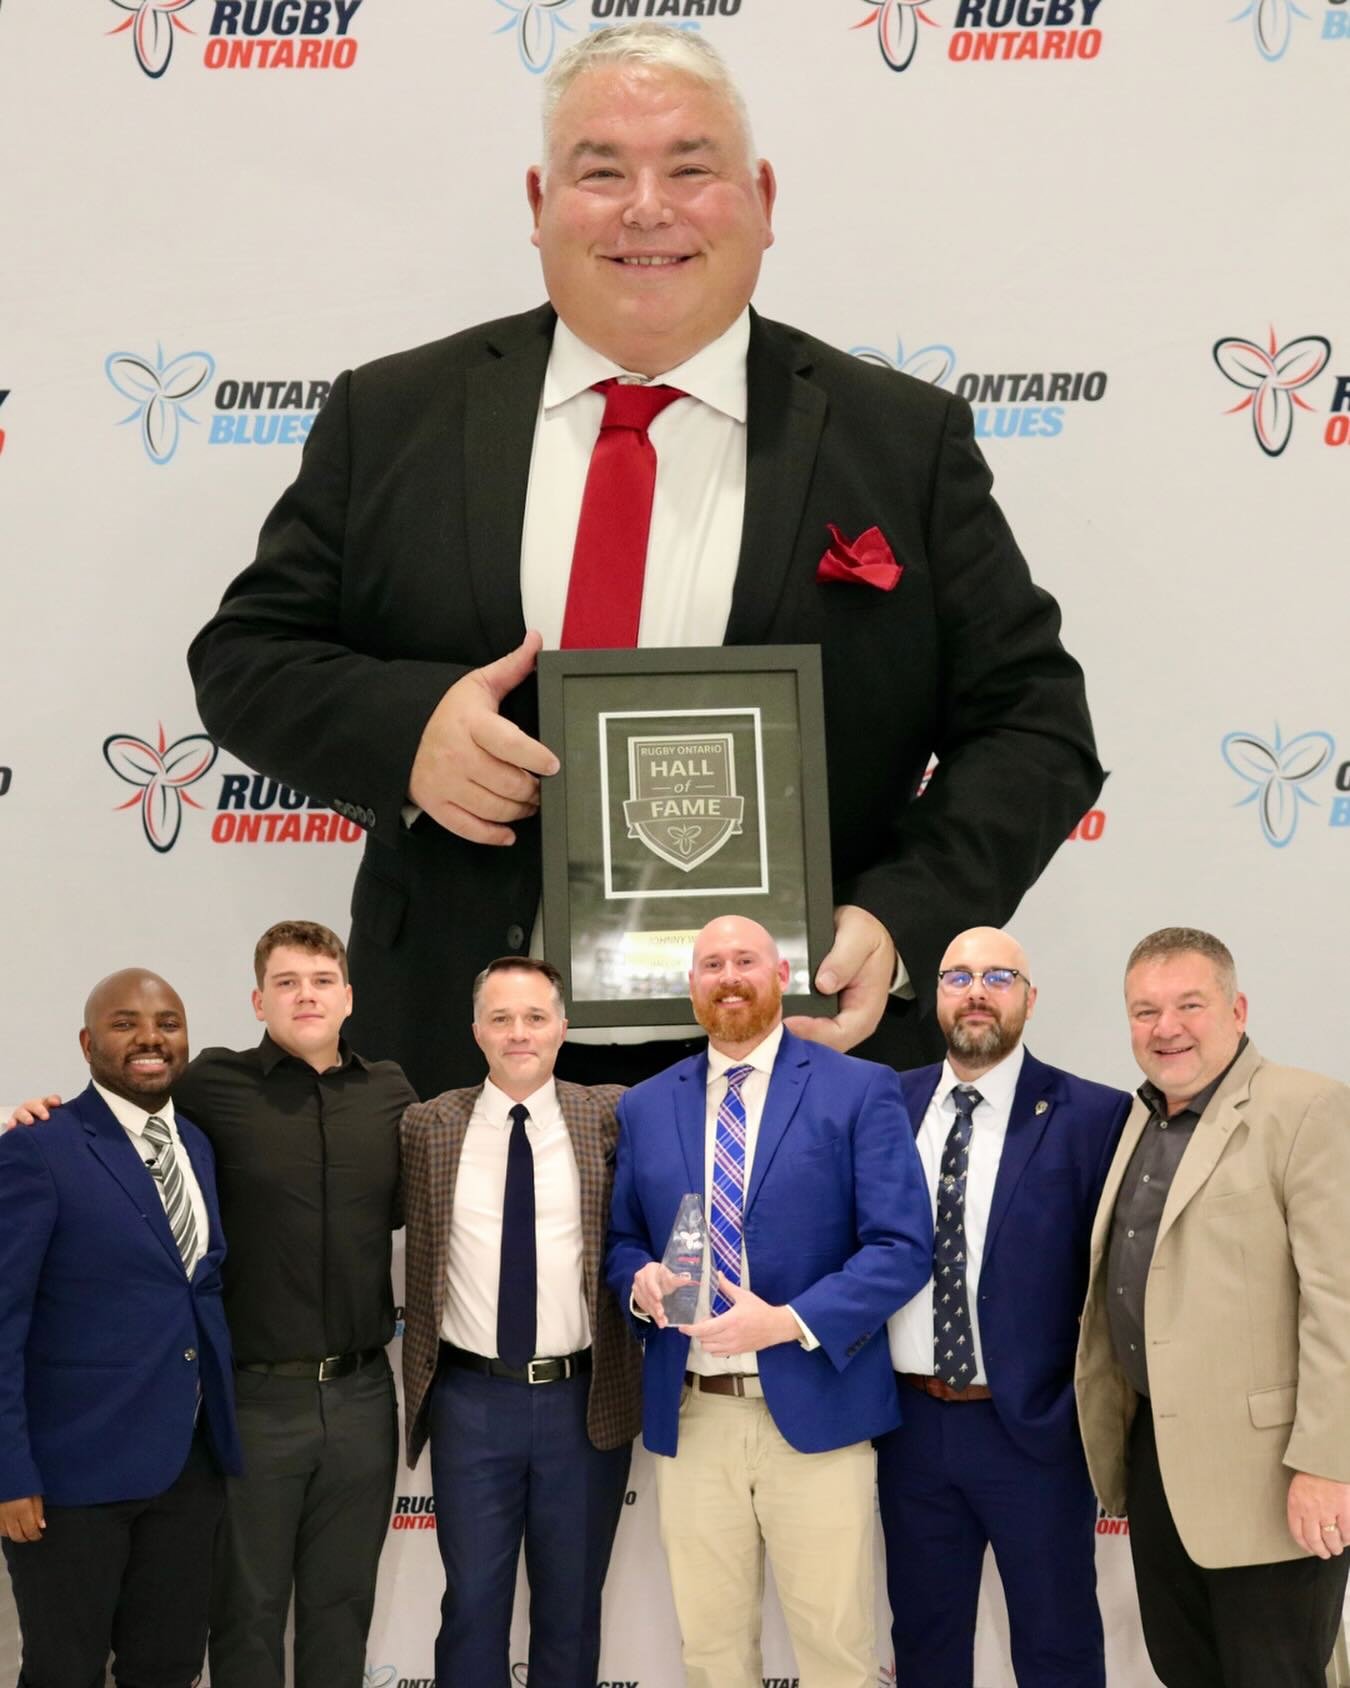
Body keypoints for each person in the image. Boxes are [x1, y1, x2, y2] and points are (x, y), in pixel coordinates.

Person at [185, 22, 1102, 1102]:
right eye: (602, 170)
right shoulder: (393, 417)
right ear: (538, 203)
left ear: (761, 197)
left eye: (690, 167)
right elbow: (245, 658)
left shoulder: (902, 442)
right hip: (460, 1050)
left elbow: (1036, 726)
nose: (647, 207)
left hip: (794, 1057)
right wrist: (411, 731)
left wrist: (898, 921)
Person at [10, 921, 415, 1688]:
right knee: (244, 1615)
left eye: (322, 980)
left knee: (339, 1609)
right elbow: (119, 1103)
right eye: (288, 982)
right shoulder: (209, 1088)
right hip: (253, 1400)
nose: (307, 995)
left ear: (349, 995)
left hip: (363, 1395)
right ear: (259, 1000)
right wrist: (42, 1114)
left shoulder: (393, 1091)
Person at [606, 915, 932, 1688]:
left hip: (817, 1416)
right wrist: (640, 1281)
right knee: (712, 1655)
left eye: (745, 960)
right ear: (690, 986)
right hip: (694, 1413)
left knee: (837, 1653)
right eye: (711, 963)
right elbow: (623, 1239)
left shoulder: (858, 1089)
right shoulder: (647, 1106)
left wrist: (788, 1321)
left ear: (780, 975)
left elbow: (902, 1248)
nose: (728, 976)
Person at [1075, 927, 1350, 1688]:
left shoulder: (1307, 1108)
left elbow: (1342, 1303)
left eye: (1189, 1004)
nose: (1166, 1028)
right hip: (1158, 1463)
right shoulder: (1137, 1119)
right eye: (1145, 1011)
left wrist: (1328, 1465)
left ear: (1237, 1007)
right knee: (1183, 1670)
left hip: (1274, 1479)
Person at [876, 926, 1131, 1688]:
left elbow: (1115, 1279)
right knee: (924, 1642)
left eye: (998, 976)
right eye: (958, 976)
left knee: (1057, 1645)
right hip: (910, 1427)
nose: (977, 992)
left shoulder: (1094, 1115)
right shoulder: (885, 1102)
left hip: (1035, 1432)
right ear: (936, 994)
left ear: (1029, 997)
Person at [399, 955, 641, 1688]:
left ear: (563, 1028)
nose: (519, 1033)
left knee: (571, 1608)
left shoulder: (613, 1115)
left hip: (583, 1403)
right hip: (471, 1401)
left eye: (535, 1017)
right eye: (501, 1018)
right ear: (477, 1032)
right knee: (472, 1602)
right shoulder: (425, 1126)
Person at [0, 970, 241, 1688]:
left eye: (167, 1022)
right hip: (71, 1477)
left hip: (187, 1469)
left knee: (167, 1667)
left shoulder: (195, 1144)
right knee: (64, 1670)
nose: (149, 1038)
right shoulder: (38, 1147)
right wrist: (9, 1471)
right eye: (125, 1023)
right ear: (86, 1042)